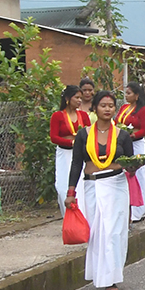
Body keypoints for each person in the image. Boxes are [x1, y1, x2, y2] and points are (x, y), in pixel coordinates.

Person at [64, 91, 134, 290]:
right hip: (92, 186)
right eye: (103, 105)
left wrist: (135, 166)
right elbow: (77, 163)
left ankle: (111, 278)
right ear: (94, 108)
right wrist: (71, 192)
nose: (107, 109)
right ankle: (100, 274)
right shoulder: (84, 135)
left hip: (116, 185)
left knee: (113, 231)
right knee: (97, 232)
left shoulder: (122, 135)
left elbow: (130, 163)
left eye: (111, 105)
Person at [50, 85, 91, 215]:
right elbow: (54, 137)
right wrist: (71, 142)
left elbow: (90, 133)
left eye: (81, 98)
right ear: (68, 98)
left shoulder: (83, 115)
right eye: (77, 97)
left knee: (81, 185)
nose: (80, 100)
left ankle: (83, 217)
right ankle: (68, 217)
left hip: (80, 153)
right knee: (62, 186)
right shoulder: (57, 116)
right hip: (64, 153)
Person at [117, 82, 145, 223]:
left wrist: (129, 136)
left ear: (137, 96)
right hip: (122, 145)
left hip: (136, 144)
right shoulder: (124, 108)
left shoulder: (144, 110)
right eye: (125, 93)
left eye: (129, 93)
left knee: (138, 175)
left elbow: (143, 130)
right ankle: (127, 208)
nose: (126, 96)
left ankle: (139, 210)